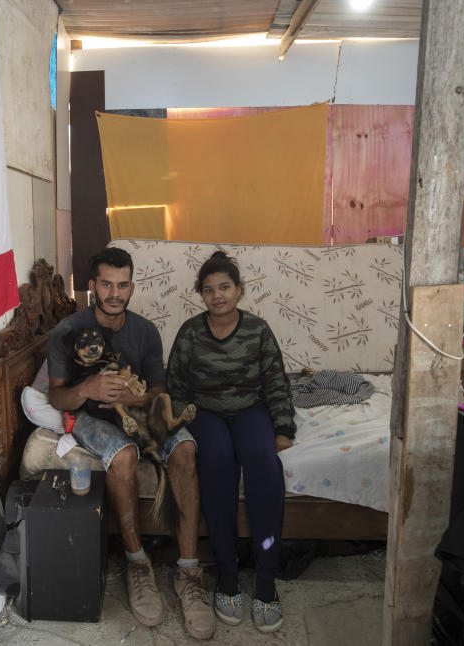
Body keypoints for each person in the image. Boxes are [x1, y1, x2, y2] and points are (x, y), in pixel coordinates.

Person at [47, 247, 214, 640]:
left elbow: (158, 388)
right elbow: (57, 397)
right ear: (92, 286)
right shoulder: (66, 332)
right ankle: (138, 565)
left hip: (141, 410)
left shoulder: (145, 331)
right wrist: (87, 387)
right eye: (106, 284)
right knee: (122, 456)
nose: (115, 293)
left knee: (187, 450)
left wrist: (134, 398)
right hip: (91, 415)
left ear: (132, 286)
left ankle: (189, 572)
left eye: (122, 285)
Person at [166, 250, 295, 633]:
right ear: (201, 295)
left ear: (239, 290)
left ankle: (267, 581)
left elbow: (275, 381)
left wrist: (283, 429)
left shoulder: (257, 329)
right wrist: (179, 421)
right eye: (208, 290)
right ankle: (226, 574)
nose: (217, 295)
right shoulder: (190, 331)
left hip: (250, 409)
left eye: (224, 287)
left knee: (264, 465)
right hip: (205, 412)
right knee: (218, 461)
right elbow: (175, 384)